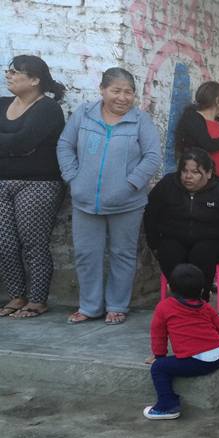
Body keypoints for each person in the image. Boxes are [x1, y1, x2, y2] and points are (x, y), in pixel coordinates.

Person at [57, 67, 162, 325]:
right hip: (85, 201)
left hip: (127, 202)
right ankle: (89, 306)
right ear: (102, 90)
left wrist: (130, 184)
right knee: (86, 254)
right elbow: (65, 145)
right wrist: (73, 178)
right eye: (116, 91)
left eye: (129, 92)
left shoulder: (140, 121)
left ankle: (117, 305)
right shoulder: (84, 114)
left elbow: (152, 157)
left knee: (122, 254)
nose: (123, 97)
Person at [0, 55, 67, 319]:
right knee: (4, 242)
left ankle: (38, 300)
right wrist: (16, 145)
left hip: (39, 184)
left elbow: (23, 142)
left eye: (15, 72)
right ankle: (16, 295)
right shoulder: (2, 104)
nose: (8, 75)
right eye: (8, 71)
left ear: (35, 80)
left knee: (33, 242)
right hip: (2, 182)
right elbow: (19, 143)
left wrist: (16, 145)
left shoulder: (48, 109)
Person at [145, 263, 219, 420]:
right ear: (202, 290)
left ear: (169, 288)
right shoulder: (205, 306)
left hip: (196, 363)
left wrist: (159, 356)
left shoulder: (164, 307)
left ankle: (167, 406)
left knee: (158, 368)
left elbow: (158, 335)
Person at [143, 147, 219, 298]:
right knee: (169, 252)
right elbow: (151, 213)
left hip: (211, 241)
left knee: (202, 254)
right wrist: (154, 244)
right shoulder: (168, 185)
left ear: (208, 173)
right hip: (174, 237)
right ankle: (178, 296)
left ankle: (200, 296)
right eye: (184, 171)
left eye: (195, 172)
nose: (188, 176)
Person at [174, 81, 219, 181]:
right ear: (217, 101)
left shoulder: (218, 121)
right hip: (201, 180)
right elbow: (208, 145)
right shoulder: (193, 118)